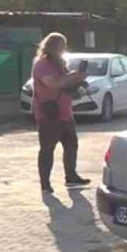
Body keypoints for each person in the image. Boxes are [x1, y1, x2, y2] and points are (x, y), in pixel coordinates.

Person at [31, 32, 91, 193]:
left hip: (65, 111)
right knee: (47, 149)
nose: (63, 48)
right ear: (52, 46)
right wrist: (72, 77)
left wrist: (78, 81)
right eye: (61, 45)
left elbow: (65, 83)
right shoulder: (42, 64)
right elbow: (53, 84)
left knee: (71, 144)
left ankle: (71, 176)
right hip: (49, 113)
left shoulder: (59, 63)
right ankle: (45, 184)